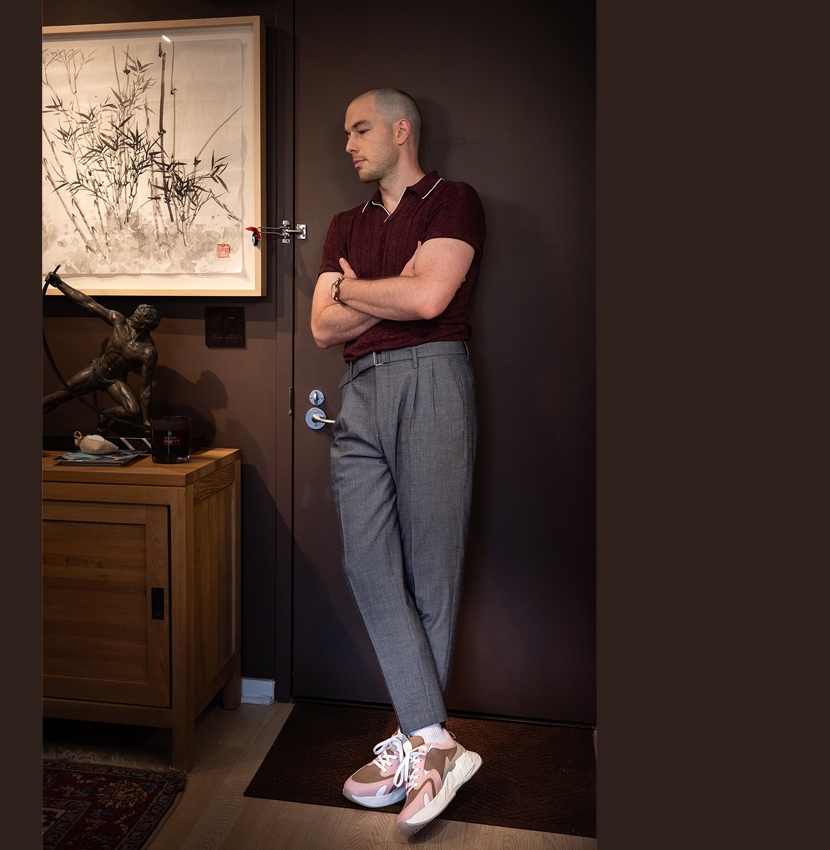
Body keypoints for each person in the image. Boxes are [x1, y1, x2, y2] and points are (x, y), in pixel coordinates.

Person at [310, 88, 486, 837]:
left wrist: (355, 289)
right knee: (367, 562)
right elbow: (324, 327)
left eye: (360, 130)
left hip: (433, 376)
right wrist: (389, 288)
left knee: (431, 570)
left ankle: (417, 746)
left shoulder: (454, 200)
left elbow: (431, 299)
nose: (349, 144)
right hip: (360, 388)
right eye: (346, 133)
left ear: (401, 129)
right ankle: (435, 742)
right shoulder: (343, 224)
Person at [42, 270, 160, 431]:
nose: (132, 316)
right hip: (95, 371)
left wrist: (146, 420)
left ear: (145, 325)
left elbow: (145, 387)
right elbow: (88, 304)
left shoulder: (148, 352)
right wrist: (60, 284)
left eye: (136, 316)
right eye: (134, 313)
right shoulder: (120, 322)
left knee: (133, 411)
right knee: (57, 397)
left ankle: (106, 414)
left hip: (115, 380)